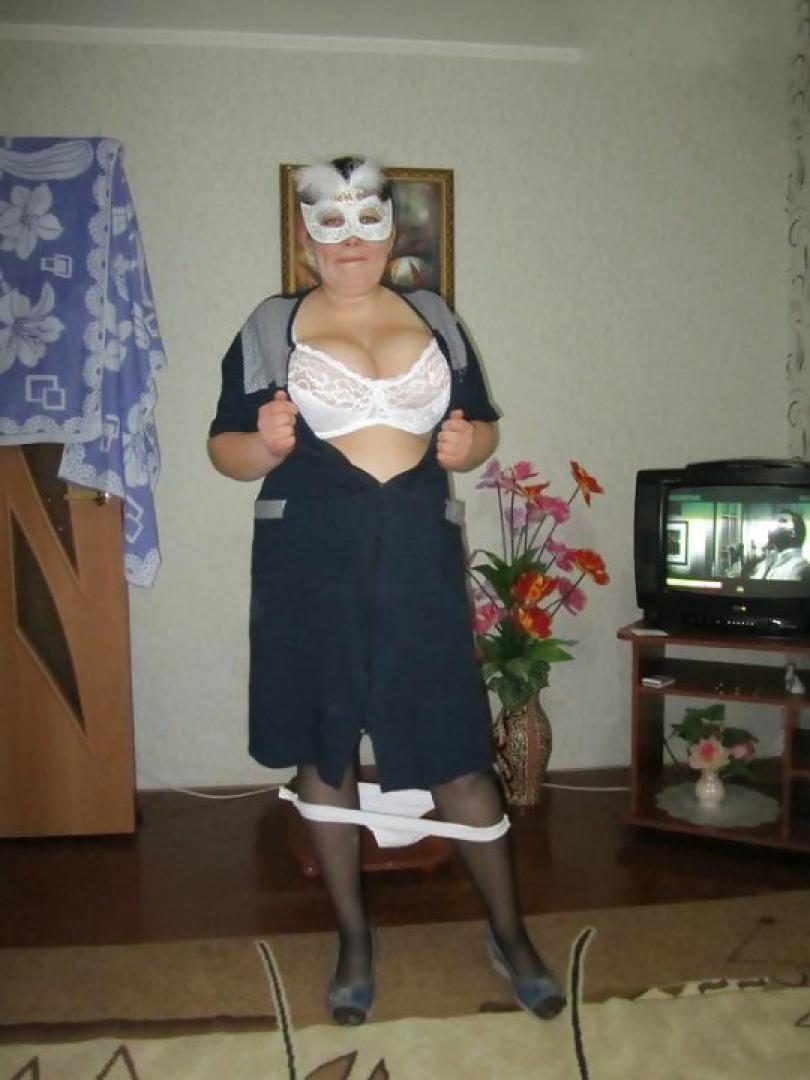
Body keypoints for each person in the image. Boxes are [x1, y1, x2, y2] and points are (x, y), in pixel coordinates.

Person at [207, 156, 564, 1025]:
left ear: (392, 230)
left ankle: (510, 933)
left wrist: (471, 445)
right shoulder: (270, 325)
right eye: (329, 223)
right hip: (308, 560)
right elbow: (225, 451)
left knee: (456, 749)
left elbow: (480, 426)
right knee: (324, 751)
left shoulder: (435, 317)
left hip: (414, 555)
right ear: (306, 238)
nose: (350, 239)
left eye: (367, 220)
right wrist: (264, 444)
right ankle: (354, 938)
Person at [744, 510, 810, 582]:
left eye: (782, 521)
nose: (774, 525)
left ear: (793, 532)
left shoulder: (801, 568)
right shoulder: (763, 564)